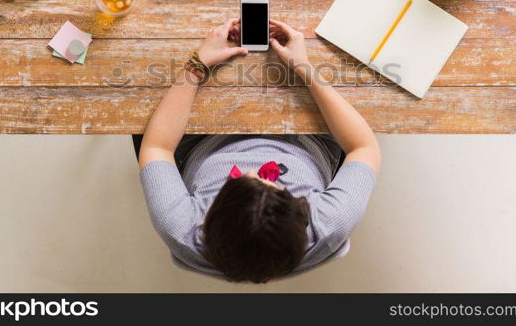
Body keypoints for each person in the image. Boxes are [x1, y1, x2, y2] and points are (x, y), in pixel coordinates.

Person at [135, 17, 380, 283]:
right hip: (312, 139)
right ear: (303, 213)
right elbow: (363, 147)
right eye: (270, 183)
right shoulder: (330, 223)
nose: (254, 169)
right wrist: (303, 66)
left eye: (240, 181)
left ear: (207, 222)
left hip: (203, 141)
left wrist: (197, 64)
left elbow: (157, 148)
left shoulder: (181, 228)